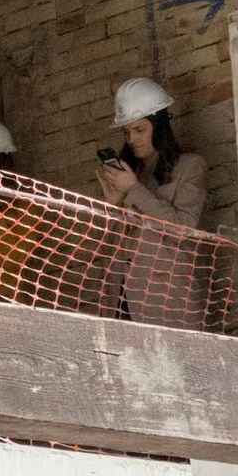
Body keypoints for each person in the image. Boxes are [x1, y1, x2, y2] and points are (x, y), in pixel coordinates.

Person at [94, 77, 209, 329]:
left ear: (159, 126)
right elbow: (108, 252)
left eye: (139, 130)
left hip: (170, 303)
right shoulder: (127, 175)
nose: (132, 139)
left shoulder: (190, 166)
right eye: (127, 132)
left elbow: (185, 229)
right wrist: (112, 205)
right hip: (123, 301)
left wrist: (134, 189)